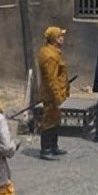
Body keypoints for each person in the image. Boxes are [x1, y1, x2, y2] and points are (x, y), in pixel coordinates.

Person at [37, 26, 70, 160]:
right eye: (60, 36)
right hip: (51, 94)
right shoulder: (49, 55)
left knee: (55, 119)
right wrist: (57, 95)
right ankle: (46, 149)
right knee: (49, 120)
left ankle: (53, 146)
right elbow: (51, 79)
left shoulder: (54, 52)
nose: (62, 39)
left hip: (56, 92)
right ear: (54, 39)